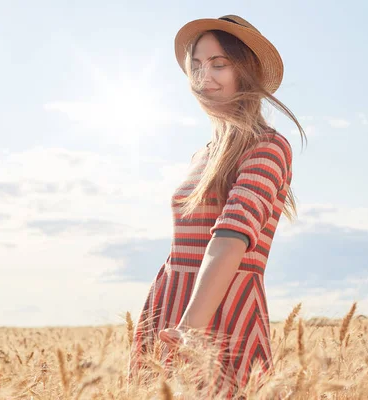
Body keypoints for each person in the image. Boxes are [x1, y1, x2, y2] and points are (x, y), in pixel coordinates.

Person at [127, 14, 307, 399]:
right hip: (169, 307)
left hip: (219, 317)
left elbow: (230, 239)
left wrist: (191, 330)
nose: (203, 75)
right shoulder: (202, 155)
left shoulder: (267, 146)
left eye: (219, 64)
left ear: (246, 71)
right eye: (196, 65)